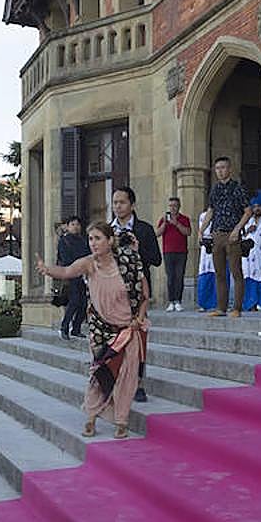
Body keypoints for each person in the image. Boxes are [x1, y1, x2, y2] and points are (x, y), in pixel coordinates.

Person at [36, 221, 148, 439]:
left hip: (128, 328)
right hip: (101, 330)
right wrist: (46, 270)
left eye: (98, 238)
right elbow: (67, 271)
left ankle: (121, 420)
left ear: (110, 241)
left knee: (127, 376)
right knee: (99, 374)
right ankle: (91, 416)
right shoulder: (88, 264)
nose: (93, 243)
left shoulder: (128, 262)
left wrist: (139, 319)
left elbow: (144, 293)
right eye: (90, 239)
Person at [111, 186, 160, 402]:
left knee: (138, 339)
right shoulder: (107, 230)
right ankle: (116, 380)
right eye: (115, 202)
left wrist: (138, 249)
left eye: (121, 202)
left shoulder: (145, 229)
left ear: (132, 204)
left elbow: (156, 259)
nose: (117, 206)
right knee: (114, 339)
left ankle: (139, 384)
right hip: (113, 293)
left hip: (138, 294)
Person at [202, 156, 251, 318]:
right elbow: (211, 210)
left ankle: (237, 307)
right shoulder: (215, 189)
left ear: (229, 169)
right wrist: (201, 229)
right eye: (217, 168)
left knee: (236, 271)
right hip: (217, 233)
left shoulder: (238, 188)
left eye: (223, 167)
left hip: (232, 234)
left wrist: (238, 229)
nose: (220, 171)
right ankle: (221, 307)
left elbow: (247, 211)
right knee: (219, 273)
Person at [156, 196, 192, 312]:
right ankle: (171, 301)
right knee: (170, 277)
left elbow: (188, 232)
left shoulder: (184, 218)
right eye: (170, 206)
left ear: (179, 206)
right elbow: (157, 233)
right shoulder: (164, 219)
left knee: (179, 276)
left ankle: (178, 301)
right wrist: (165, 224)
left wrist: (176, 224)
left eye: (175, 206)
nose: (172, 208)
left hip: (181, 252)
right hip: (168, 252)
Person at [57, 216, 89, 340]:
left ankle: (76, 329)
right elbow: (65, 259)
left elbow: (88, 255)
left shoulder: (83, 240)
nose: (75, 227)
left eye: (77, 224)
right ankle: (64, 327)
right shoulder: (64, 241)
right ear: (68, 226)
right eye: (73, 224)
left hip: (83, 276)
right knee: (74, 302)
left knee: (84, 303)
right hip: (70, 275)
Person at [195, 217, 218, 311]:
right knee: (204, 276)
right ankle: (203, 304)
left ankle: (217, 304)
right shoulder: (203, 216)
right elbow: (200, 233)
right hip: (206, 249)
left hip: (218, 245)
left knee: (218, 276)